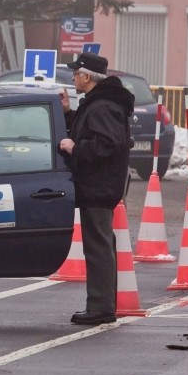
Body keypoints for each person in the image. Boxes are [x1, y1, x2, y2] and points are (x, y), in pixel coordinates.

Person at [59, 52, 134, 325]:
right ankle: (102, 304)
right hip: (100, 185)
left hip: (99, 186)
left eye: (76, 73)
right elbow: (90, 130)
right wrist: (69, 115)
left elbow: (105, 145)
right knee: (100, 244)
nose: (73, 78)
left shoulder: (102, 105)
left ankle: (101, 306)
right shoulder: (100, 102)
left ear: (87, 76)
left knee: (98, 246)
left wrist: (74, 147)